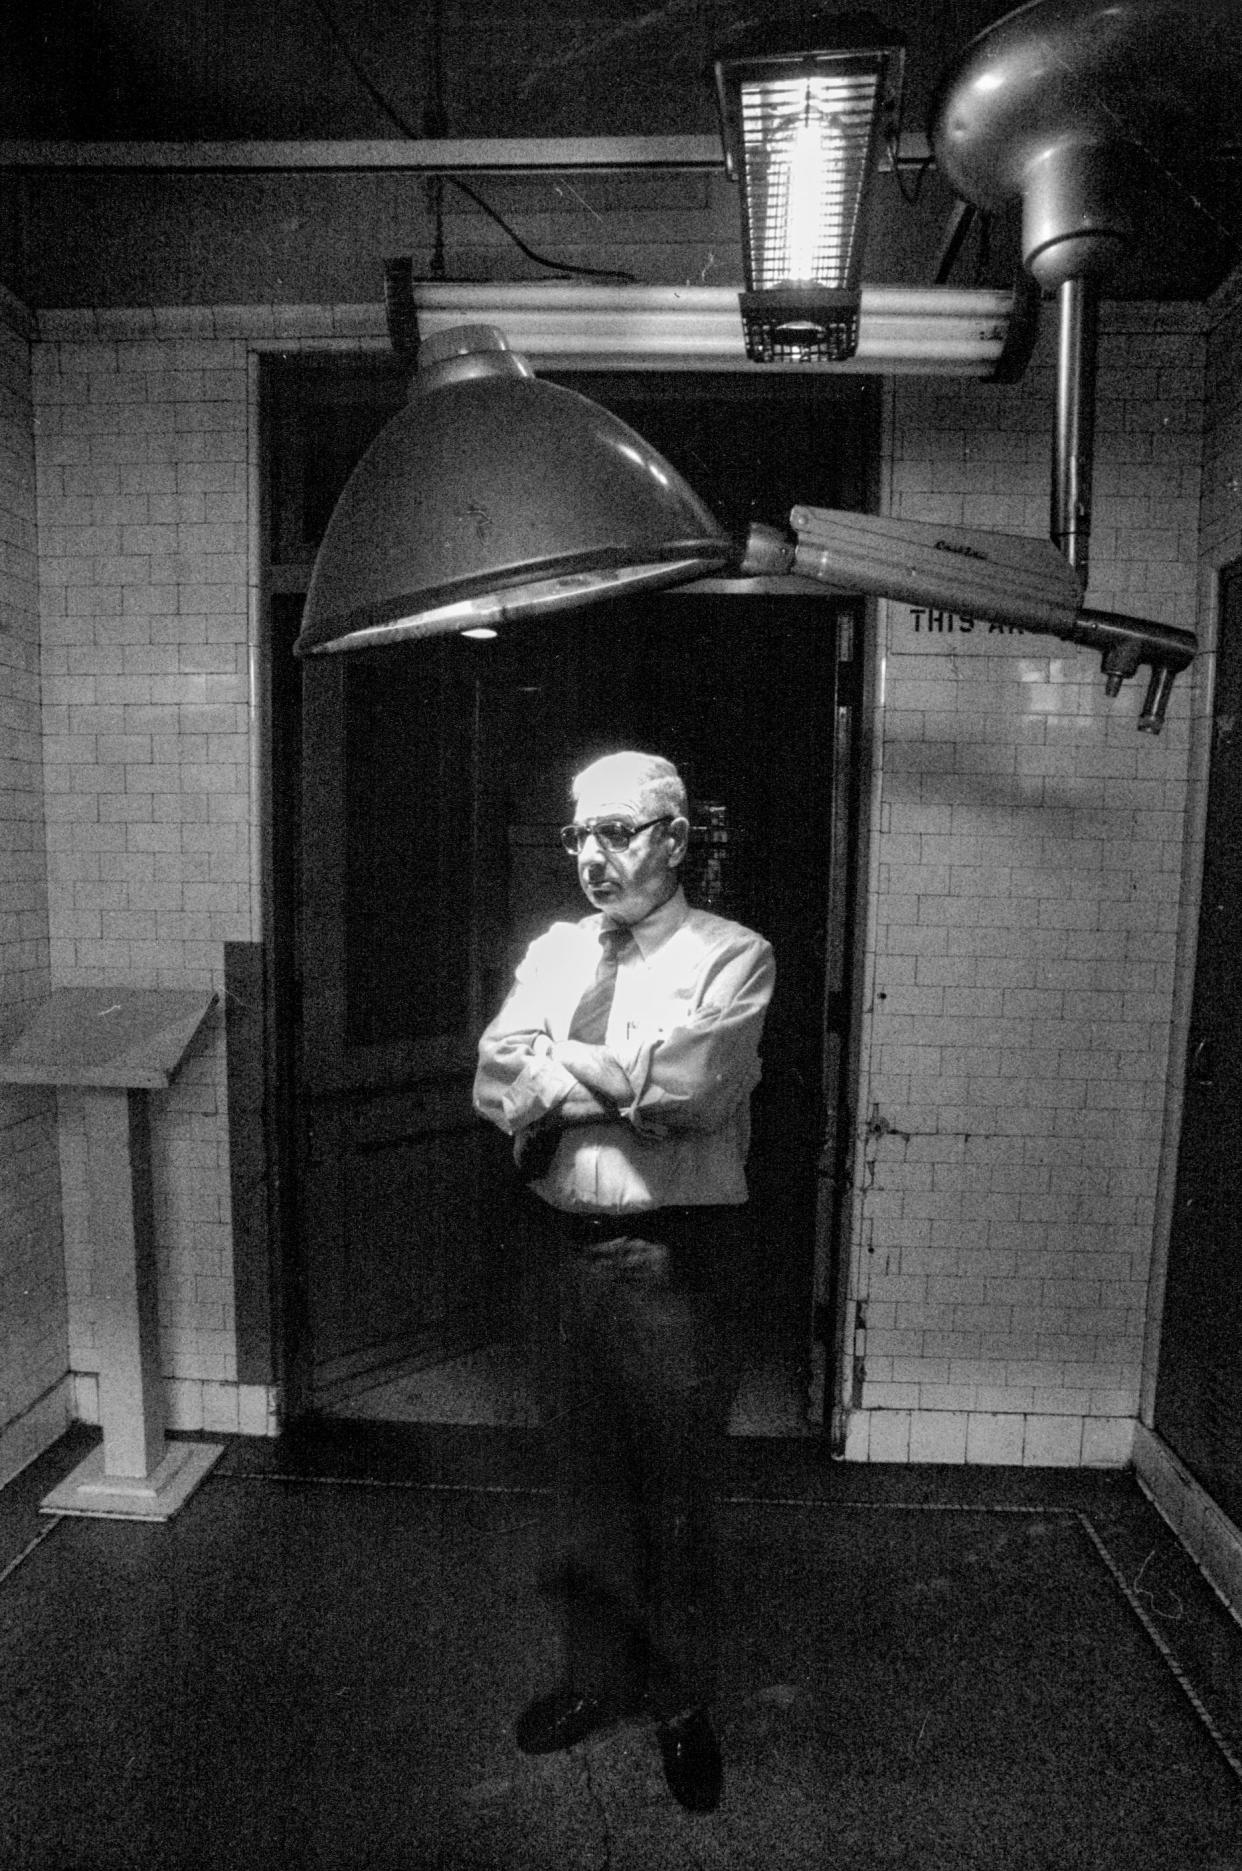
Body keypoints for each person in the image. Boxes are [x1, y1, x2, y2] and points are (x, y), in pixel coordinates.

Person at [473, 749, 775, 1814]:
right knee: (584, 1491)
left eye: (617, 831)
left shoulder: (733, 955)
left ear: (675, 837)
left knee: (675, 1500)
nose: (592, 855)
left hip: (668, 1262)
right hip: (560, 1254)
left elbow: (693, 1088)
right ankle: (592, 1682)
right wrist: (610, 1076)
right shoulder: (557, 949)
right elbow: (493, 1074)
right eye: (578, 834)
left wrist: (568, 1072)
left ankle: (683, 1704)